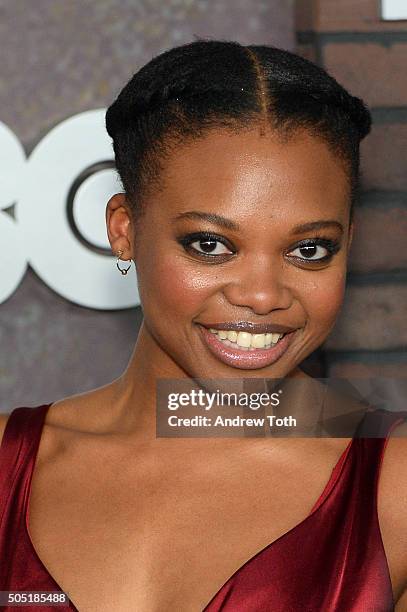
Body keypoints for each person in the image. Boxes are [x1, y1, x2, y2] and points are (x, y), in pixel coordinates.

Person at [0, 39, 406, 611]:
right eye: (210, 244)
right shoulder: (8, 463)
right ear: (124, 229)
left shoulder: (395, 486)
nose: (263, 296)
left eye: (310, 248)